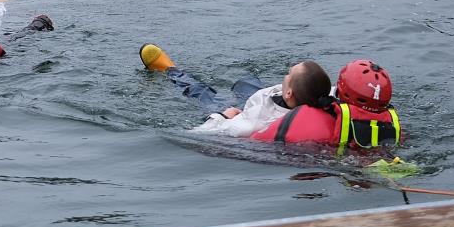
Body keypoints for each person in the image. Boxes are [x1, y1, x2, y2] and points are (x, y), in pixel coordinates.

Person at [139, 44, 339, 142]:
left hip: (238, 114)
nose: (287, 72)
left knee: (201, 93)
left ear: (289, 93)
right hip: (260, 99)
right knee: (246, 81)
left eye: (289, 74)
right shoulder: (324, 97)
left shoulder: (259, 122)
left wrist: (223, 116)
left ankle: (169, 69)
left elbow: (201, 134)